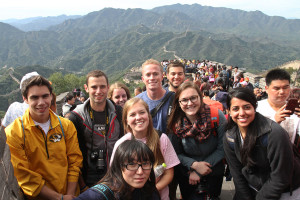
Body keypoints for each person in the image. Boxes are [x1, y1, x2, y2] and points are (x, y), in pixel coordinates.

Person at [5, 75, 83, 200]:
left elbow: (74, 162)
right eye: (34, 97)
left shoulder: (65, 126)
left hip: (70, 194)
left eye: (45, 96)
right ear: (25, 99)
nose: (41, 102)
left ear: (51, 96)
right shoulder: (14, 132)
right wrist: (59, 198)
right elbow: (24, 175)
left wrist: (69, 195)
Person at [223, 87, 300, 199]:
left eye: (247, 107)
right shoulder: (230, 136)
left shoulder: (274, 133)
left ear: (254, 108)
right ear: (229, 111)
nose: (242, 113)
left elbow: (280, 176)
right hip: (253, 187)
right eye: (235, 109)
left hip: (284, 191)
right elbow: (236, 172)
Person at [110, 98, 179, 200]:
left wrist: (152, 191)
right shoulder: (121, 144)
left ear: (148, 116)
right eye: (132, 115)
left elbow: (169, 173)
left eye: (142, 112)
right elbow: (115, 175)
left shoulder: (162, 139)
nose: (138, 117)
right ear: (126, 121)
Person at [168, 82, 226, 200]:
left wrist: (199, 171)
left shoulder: (216, 116)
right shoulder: (175, 123)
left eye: (193, 98)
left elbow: (223, 148)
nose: (190, 103)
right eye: (184, 100)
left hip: (213, 170)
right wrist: (194, 165)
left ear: (200, 97)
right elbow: (175, 153)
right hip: (187, 173)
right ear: (179, 103)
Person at [67, 70, 124, 189]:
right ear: (86, 88)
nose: (99, 91)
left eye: (102, 87)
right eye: (94, 87)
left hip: (117, 178)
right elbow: (71, 157)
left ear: (108, 87)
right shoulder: (76, 118)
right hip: (89, 181)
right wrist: (82, 186)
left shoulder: (119, 112)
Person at [74, 140, 160, 200]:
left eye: (145, 164)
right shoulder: (99, 195)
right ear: (119, 166)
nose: (140, 172)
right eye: (132, 164)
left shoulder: (149, 191)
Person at [256, 68, 300, 144]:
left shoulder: (294, 109)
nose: (282, 92)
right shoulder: (256, 108)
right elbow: (249, 136)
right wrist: (274, 122)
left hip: (287, 154)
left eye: (285, 87)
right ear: (266, 88)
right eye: (276, 88)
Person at [136, 59, 175, 133]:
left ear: (162, 76)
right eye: (148, 75)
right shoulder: (137, 102)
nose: (152, 78)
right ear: (143, 79)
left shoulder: (173, 99)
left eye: (155, 74)